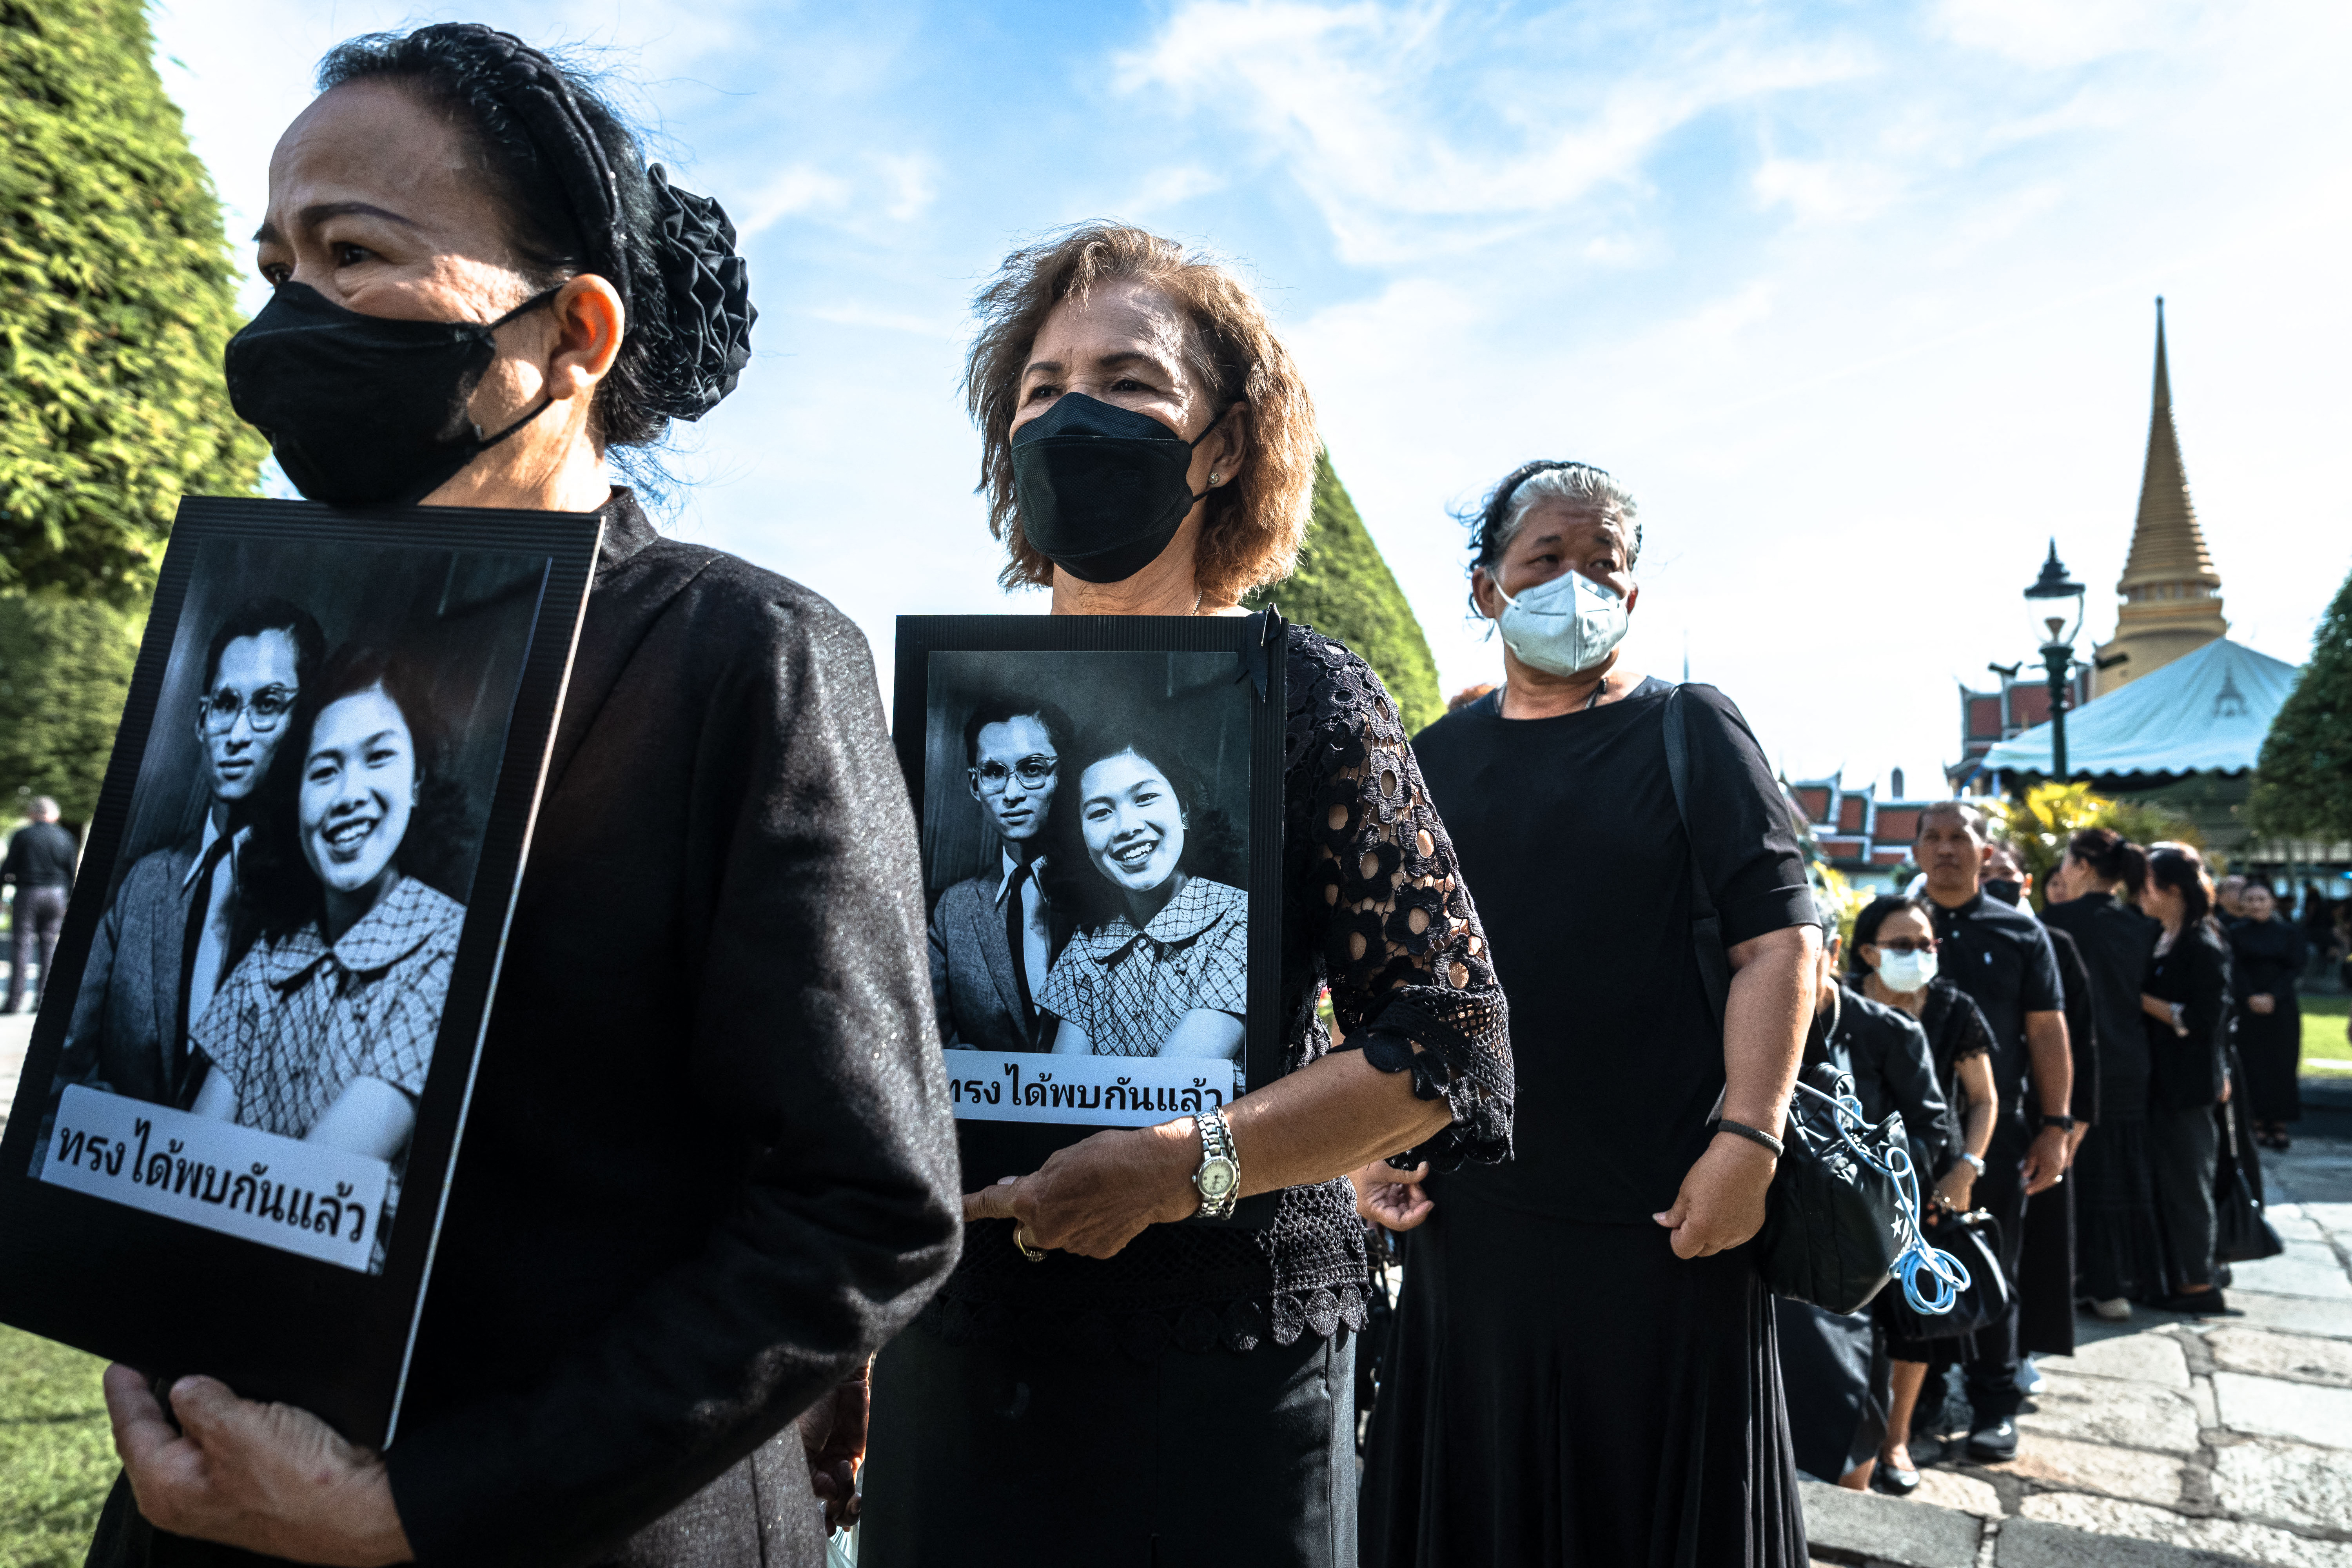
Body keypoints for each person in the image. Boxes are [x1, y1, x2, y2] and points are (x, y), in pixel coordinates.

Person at [89, 25, 960, 1567]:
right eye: (277, 261)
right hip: (198, 1510)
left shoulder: (740, 659)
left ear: (574, 335)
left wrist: (417, 1509)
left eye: (354, 253)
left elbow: (864, 1204)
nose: (291, 313)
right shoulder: (264, 651)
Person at [860, 224, 1513, 1568]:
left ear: (1222, 447)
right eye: (1042, 388)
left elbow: (1450, 1040)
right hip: (961, 1343)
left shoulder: (1310, 700)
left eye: (1131, 382)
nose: (1075, 415)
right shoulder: (940, 716)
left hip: (1225, 1355)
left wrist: (1177, 1173)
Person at [1361, 459, 1818, 1567]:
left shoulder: (1691, 730)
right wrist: (1366, 1145)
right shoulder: (1434, 762)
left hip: (1668, 1220)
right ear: (1488, 590)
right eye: (1546, 562)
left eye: (1602, 565)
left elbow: (1781, 945)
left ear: (1635, 595)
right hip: (1480, 1235)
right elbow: (1393, 984)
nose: (1577, 587)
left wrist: (1748, 1141)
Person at [187, 651, 462, 1166]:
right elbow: (191, 1158)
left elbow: (313, 1187)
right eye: (324, 770)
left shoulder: (449, 950)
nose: (347, 796)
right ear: (297, 803)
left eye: (378, 758)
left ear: (417, 784)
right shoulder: (270, 958)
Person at [49, 601, 325, 1109]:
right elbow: (54, 1072)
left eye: (268, 705)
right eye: (224, 704)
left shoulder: (327, 899)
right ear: (202, 721)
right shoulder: (143, 887)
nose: (237, 735)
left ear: (305, 721)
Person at [1775, 899, 1956, 1494]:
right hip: (1775, 1220)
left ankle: (1862, 1473)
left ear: (1832, 954)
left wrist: (1873, 1181)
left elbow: (1930, 1131)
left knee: (1848, 1370)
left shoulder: (1887, 1032)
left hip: (1859, 1233)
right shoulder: (1757, 1017)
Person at [1912, 801, 2071, 1464]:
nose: (1946, 849)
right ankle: (1914, 1401)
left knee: (1991, 1264)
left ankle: (1993, 1402)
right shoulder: (1898, 928)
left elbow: (2046, 1031)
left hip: (1994, 1127)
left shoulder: (2020, 934)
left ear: (1984, 852)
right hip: (1908, 1131)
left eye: (1960, 838)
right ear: (1916, 850)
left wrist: (2057, 1125)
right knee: (1907, 1265)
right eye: (1933, 838)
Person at [1846, 893, 1998, 1494]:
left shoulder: (1955, 1009)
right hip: (1848, 1187)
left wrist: (1967, 1168)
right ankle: (1842, 1436)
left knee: (1913, 1316)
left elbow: (1984, 1099)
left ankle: (1897, 1439)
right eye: (1901, 945)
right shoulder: (1839, 1003)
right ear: (1867, 952)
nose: (1917, 955)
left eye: (1926, 944)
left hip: (1927, 1183)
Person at [1038, 732, 1249, 1059]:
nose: (1127, 827)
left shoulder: (1240, 919)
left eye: (1145, 797)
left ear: (1185, 811)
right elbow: (1062, 1092)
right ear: (1082, 838)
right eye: (1100, 813)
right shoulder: (1088, 945)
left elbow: (1175, 1087)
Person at [1985, 841, 2099, 1366]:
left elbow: (2076, 1038)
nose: (1996, 882)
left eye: (2005, 874)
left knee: (2031, 1246)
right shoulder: (1936, 936)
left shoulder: (2050, 942)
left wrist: (2069, 1121)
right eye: (1989, 874)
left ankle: (2019, 1356)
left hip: (2035, 1115)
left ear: (2026, 882)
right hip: (1964, 1118)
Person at [2043, 829, 2164, 1317]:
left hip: (2074, 1062)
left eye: (2068, 862)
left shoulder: (2057, 922)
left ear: (2085, 866)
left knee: (2078, 1171)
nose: (2064, 872)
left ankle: (2077, 1277)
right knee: (2122, 1172)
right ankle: (2116, 1280)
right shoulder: (2139, 924)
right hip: (2131, 1060)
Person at [929, 698, 1075, 1051]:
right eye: (994, 772)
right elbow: (924, 1040)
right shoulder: (955, 910)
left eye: (1033, 769)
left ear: (1063, 775)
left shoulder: (1111, 893)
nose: (1012, 794)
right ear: (974, 785)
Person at [2140, 844, 2234, 1314]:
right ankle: (2181, 1273)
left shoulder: (2201, 943)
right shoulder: (2165, 936)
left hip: (2188, 1085)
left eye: (2148, 883)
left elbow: (2204, 1018)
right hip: (2164, 1082)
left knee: (2188, 1182)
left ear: (2171, 889)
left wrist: (2142, 1001)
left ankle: (2198, 1281)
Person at [2229, 882, 2308, 1151]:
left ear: (2272, 902)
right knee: (2252, 1064)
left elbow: (2295, 967)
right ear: (2243, 904)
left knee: (2282, 1065)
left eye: (2262, 900)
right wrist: (2250, 996)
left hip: (2281, 1006)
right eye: (2250, 900)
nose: (2256, 905)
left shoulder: (2289, 933)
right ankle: (2257, 1123)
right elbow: (2233, 968)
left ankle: (2280, 1123)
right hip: (2247, 1006)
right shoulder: (2234, 933)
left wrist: (2273, 996)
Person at [2, 796, 76, 1013]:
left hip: (28, 893)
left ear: (33, 814)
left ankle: (14, 1002)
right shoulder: (66, 837)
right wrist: (69, 900)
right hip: (57, 895)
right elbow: (71, 873)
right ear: (55, 815)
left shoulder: (23, 836)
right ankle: (43, 1001)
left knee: (21, 945)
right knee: (49, 945)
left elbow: (8, 868)